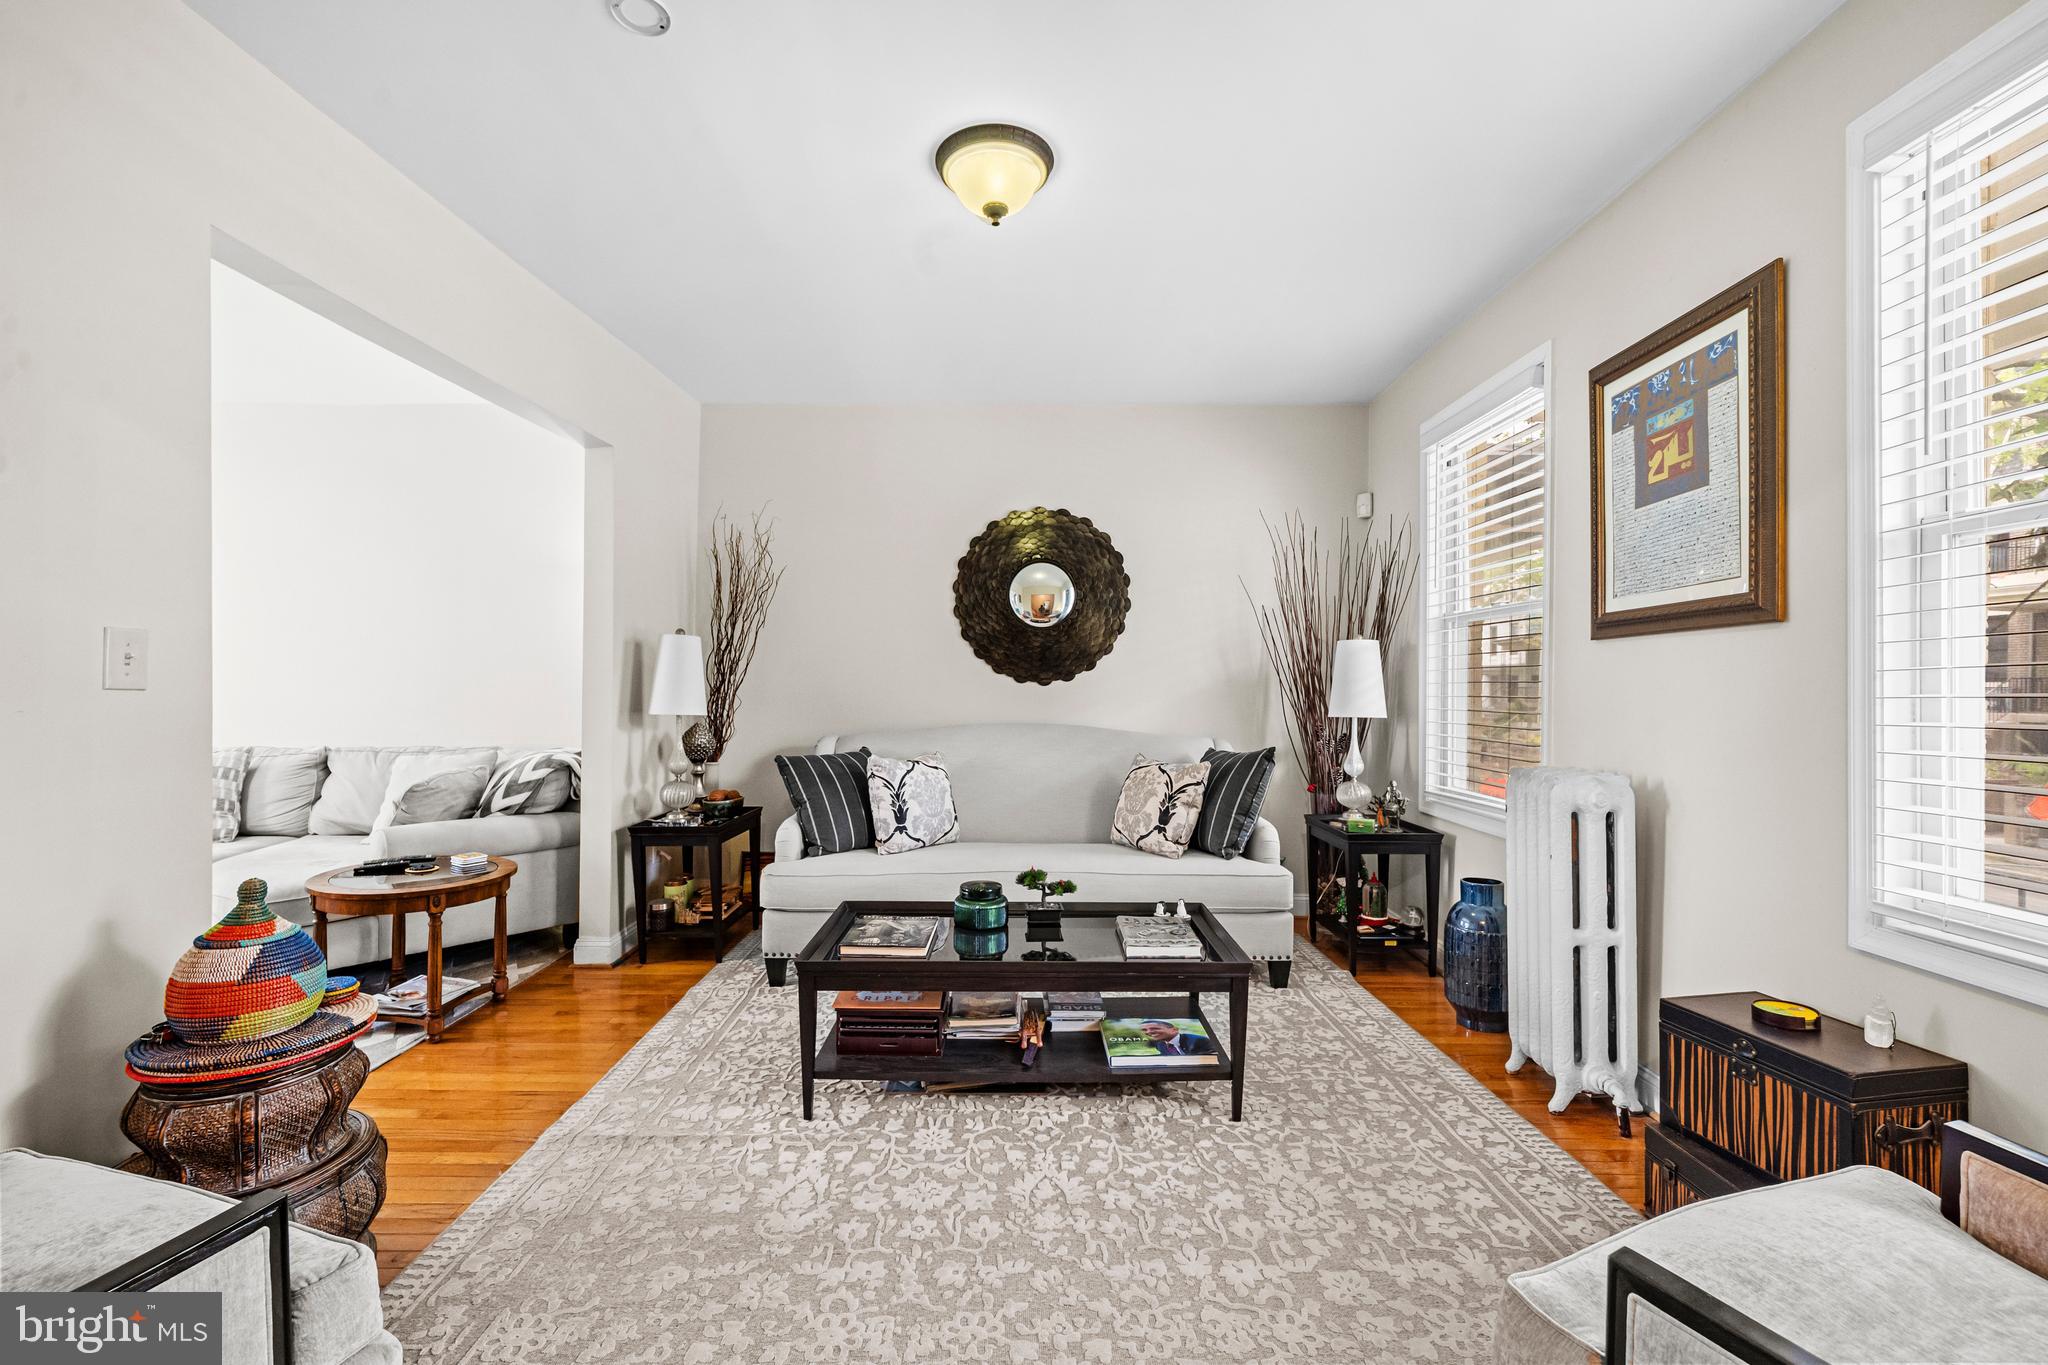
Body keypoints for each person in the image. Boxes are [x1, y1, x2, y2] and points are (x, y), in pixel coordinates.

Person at [1138, 1019, 1214, 1057]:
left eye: (1155, 1028)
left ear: (1174, 1030)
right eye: (1144, 1030)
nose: (1149, 1032)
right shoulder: (1159, 1044)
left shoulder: (1199, 1041)